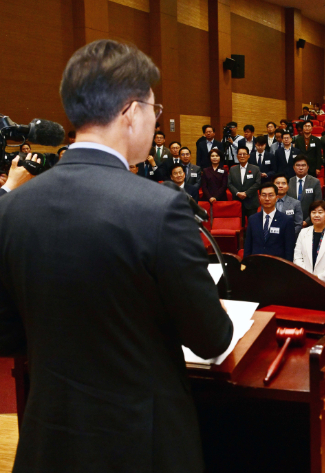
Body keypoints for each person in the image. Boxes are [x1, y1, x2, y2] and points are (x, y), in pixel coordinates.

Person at [0, 39, 235, 472]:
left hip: (49, 440)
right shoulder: (160, 208)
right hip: (140, 444)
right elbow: (212, 338)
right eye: (154, 109)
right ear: (131, 112)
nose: (154, 120)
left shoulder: (12, 207)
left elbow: (6, 332)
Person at [293, 201, 325, 289]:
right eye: (313, 212)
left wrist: (319, 278)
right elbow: (297, 257)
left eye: (320, 212)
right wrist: (308, 276)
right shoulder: (303, 232)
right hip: (306, 280)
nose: (316, 215)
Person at [243, 182, 295, 262]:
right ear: (259, 197)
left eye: (271, 195)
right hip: (256, 264)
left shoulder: (286, 220)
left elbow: (289, 249)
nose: (267, 198)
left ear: (276, 197)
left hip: (277, 266)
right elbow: (248, 246)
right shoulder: (252, 219)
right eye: (264, 195)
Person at [288, 156, 323, 226]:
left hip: (310, 222)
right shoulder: (289, 181)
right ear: (293, 167)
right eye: (298, 165)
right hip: (291, 222)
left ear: (308, 167)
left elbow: (318, 203)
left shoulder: (315, 182)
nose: (301, 168)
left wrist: (307, 221)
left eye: (303, 165)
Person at [228, 146, 262, 219]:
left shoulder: (255, 169)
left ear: (248, 156)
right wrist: (237, 193)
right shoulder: (232, 169)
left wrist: (246, 193)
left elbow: (257, 183)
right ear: (237, 156)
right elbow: (229, 183)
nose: (242, 156)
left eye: (244, 154)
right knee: (239, 225)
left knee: (252, 224)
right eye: (240, 154)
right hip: (237, 201)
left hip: (251, 201)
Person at [273, 173, 303, 237]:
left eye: (283, 183)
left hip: (289, 238)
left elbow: (298, 224)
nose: (280, 186)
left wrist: (287, 235)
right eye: (277, 183)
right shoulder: (268, 202)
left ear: (288, 186)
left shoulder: (295, 203)